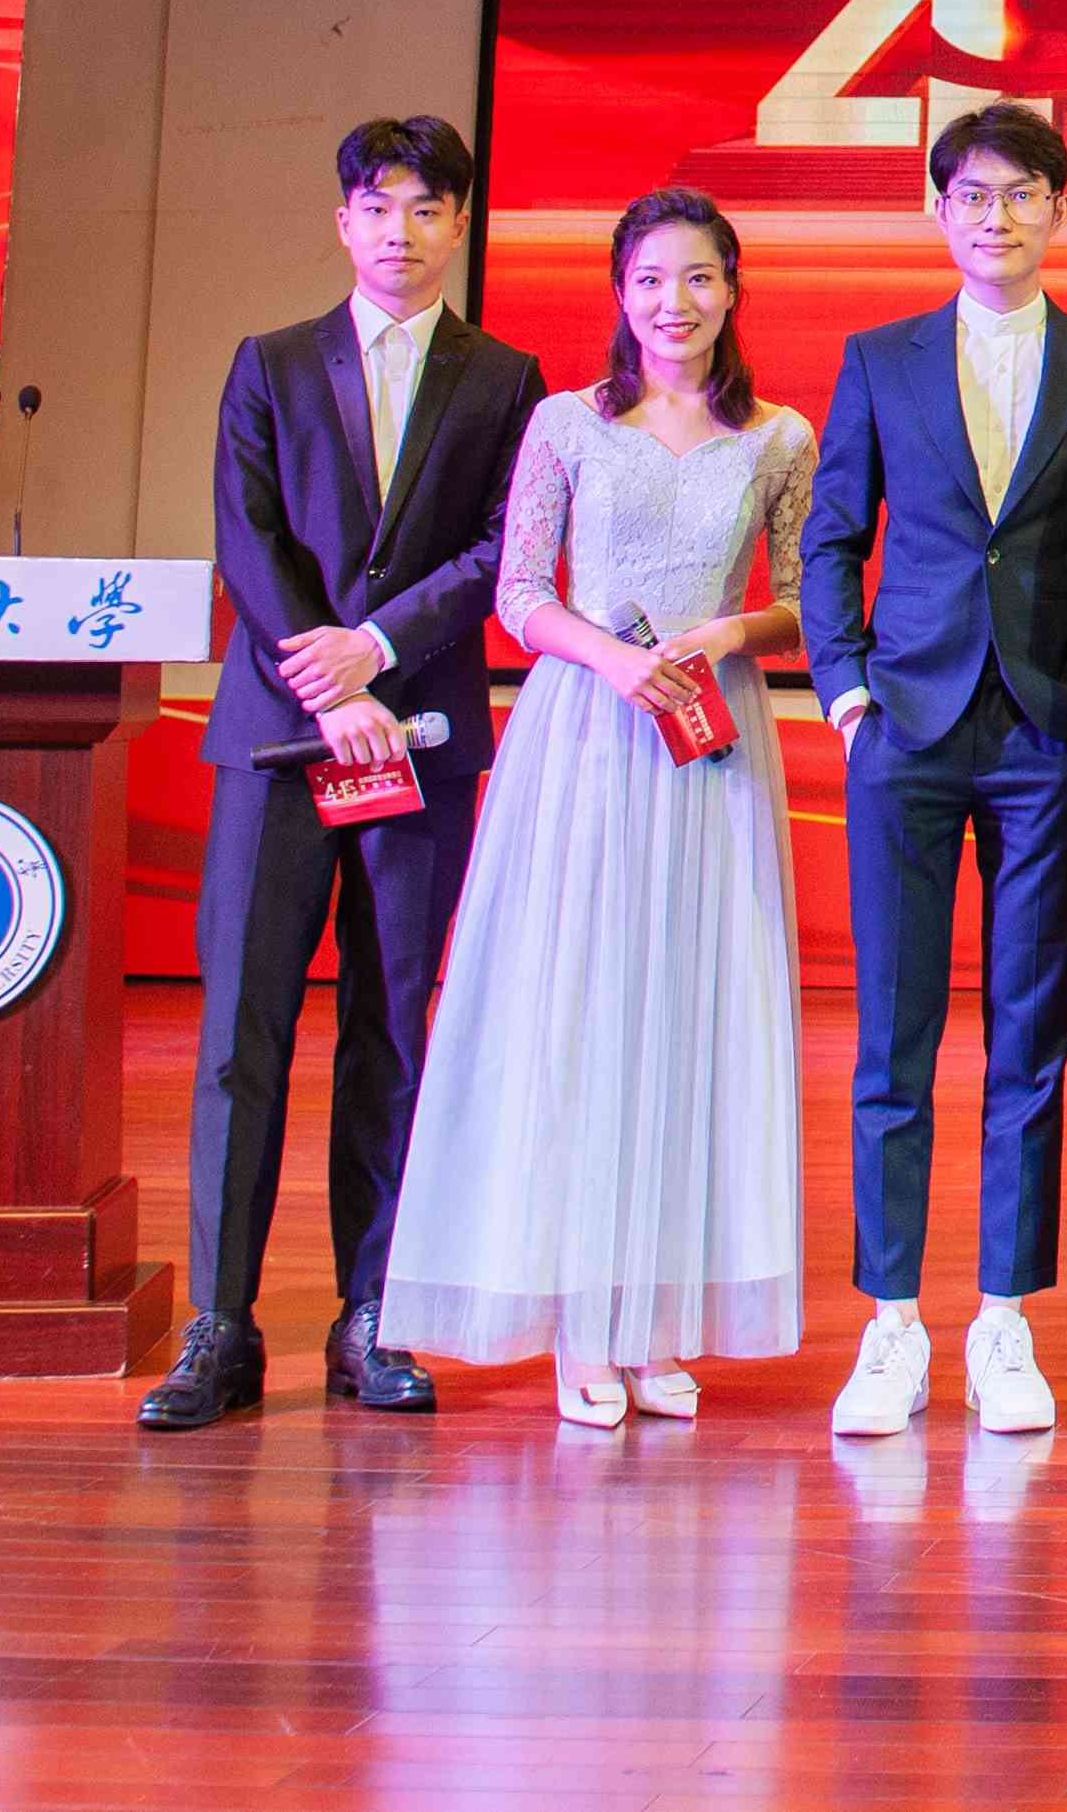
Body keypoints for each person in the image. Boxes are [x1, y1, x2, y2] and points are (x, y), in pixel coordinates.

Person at [378, 187, 816, 1424]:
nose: (674, 302)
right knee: (578, 1011)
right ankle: (582, 1319)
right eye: (650, 281)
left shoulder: (779, 436)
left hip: (710, 744)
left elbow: (804, 601)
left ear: (732, 289)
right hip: (584, 737)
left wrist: (727, 631)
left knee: (687, 1013)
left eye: (698, 277)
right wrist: (614, 660)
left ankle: (655, 1315)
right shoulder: (568, 423)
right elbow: (520, 592)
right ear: (620, 295)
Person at [145, 115, 545, 1435]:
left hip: (418, 740)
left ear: (458, 225)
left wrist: (378, 650)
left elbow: (501, 549)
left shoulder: (507, 380)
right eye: (377, 207)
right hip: (278, 739)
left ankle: (373, 1312)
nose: (400, 231)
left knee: (394, 1032)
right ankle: (221, 1321)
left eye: (426, 208)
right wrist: (331, 676)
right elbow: (246, 535)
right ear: (342, 222)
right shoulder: (268, 363)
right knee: (240, 1034)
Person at [799, 103, 1067, 1441]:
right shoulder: (879, 357)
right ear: (936, 209)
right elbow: (834, 534)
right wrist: (845, 687)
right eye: (972, 195)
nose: (995, 217)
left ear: (1060, 207)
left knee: (1029, 1031)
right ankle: (891, 1321)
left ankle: (1004, 1316)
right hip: (903, 725)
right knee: (892, 1036)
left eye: (1020, 194)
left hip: (1043, 733)